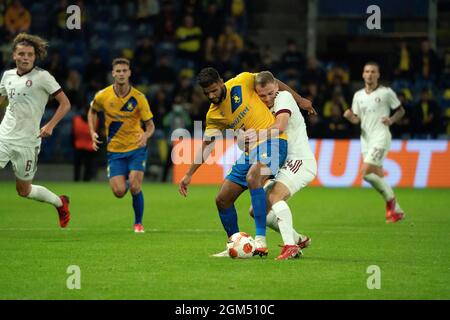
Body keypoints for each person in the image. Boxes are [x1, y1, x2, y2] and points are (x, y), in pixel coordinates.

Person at [178, 67, 315, 257]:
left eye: (214, 90)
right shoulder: (214, 115)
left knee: (254, 177)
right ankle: (236, 244)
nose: (211, 95)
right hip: (251, 152)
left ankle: (260, 241)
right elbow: (208, 146)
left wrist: (299, 100)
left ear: (220, 82)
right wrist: (189, 174)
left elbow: (271, 79)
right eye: (207, 93)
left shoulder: (241, 81)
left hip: (274, 142)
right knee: (222, 199)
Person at [0, 33, 71, 227]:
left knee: (24, 190)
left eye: (29, 54)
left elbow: (65, 104)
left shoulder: (43, 77)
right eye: (21, 54)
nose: (25, 58)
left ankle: (60, 203)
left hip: (27, 142)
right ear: (14, 55)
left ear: (35, 56)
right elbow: (2, 100)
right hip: (4, 136)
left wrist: (50, 125)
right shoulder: (7, 76)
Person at [248, 71, 316, 260]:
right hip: (286, 163)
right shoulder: (263, 109)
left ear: (276, 88)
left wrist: (254, 136)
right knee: (256, 210)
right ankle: (298, 238)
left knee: (276, 196)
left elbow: (280, 127)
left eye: (271, 93)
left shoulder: (284, 97)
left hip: (300, 161)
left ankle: (290, 246)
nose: (267, 98)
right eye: (262, 95)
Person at [87, 58, 155, 233]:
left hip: (136, 148)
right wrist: (92, 132)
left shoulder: (139, 98)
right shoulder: (103, 96)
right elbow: (92, 111)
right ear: (113, 74)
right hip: (115, 150)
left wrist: (146, 136)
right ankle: (127, 178)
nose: (121, 74)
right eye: (118, 71)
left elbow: (150, 125)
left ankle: (138, 223)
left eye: (124, 70)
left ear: (129, 73)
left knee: (135, 186)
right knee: (118, 192)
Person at [343, 62, 406, 223]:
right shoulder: (358, 95)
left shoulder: (386, 93)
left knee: (365, 173)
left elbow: (401, 110)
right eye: (367, 71)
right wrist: (351, 118)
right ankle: (396, 210)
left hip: (381, 136)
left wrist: (391, 120)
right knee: (377, 175)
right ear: (363, 75)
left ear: (378, 75)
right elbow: (357, 119)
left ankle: (391, 203)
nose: (369, 74)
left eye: (373, 71)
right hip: (366, 140)